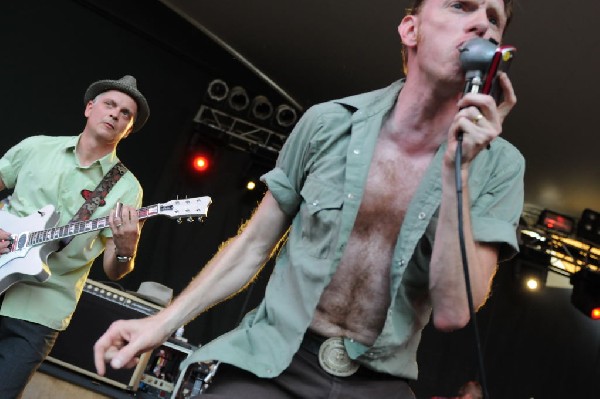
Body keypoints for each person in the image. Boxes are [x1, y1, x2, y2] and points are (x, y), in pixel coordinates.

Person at [95, 1, 524, 398]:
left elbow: (453, 312)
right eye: (460, 5)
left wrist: (459, 171)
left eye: (493, 17)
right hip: (275, 358)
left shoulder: (499, 166)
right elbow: (252, 246)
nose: (481, 22)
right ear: (411, 30)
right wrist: (161, 324)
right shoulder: (326, 123)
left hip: (380, 382)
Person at [0, 75, 149, 397]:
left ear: (129, 129)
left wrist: (126, 248)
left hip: (40, 309)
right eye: (110, 104)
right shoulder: (37, 147)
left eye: (126, 113)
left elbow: (116, 270)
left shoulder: (127, 190)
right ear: (90, 108)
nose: (115, 114)